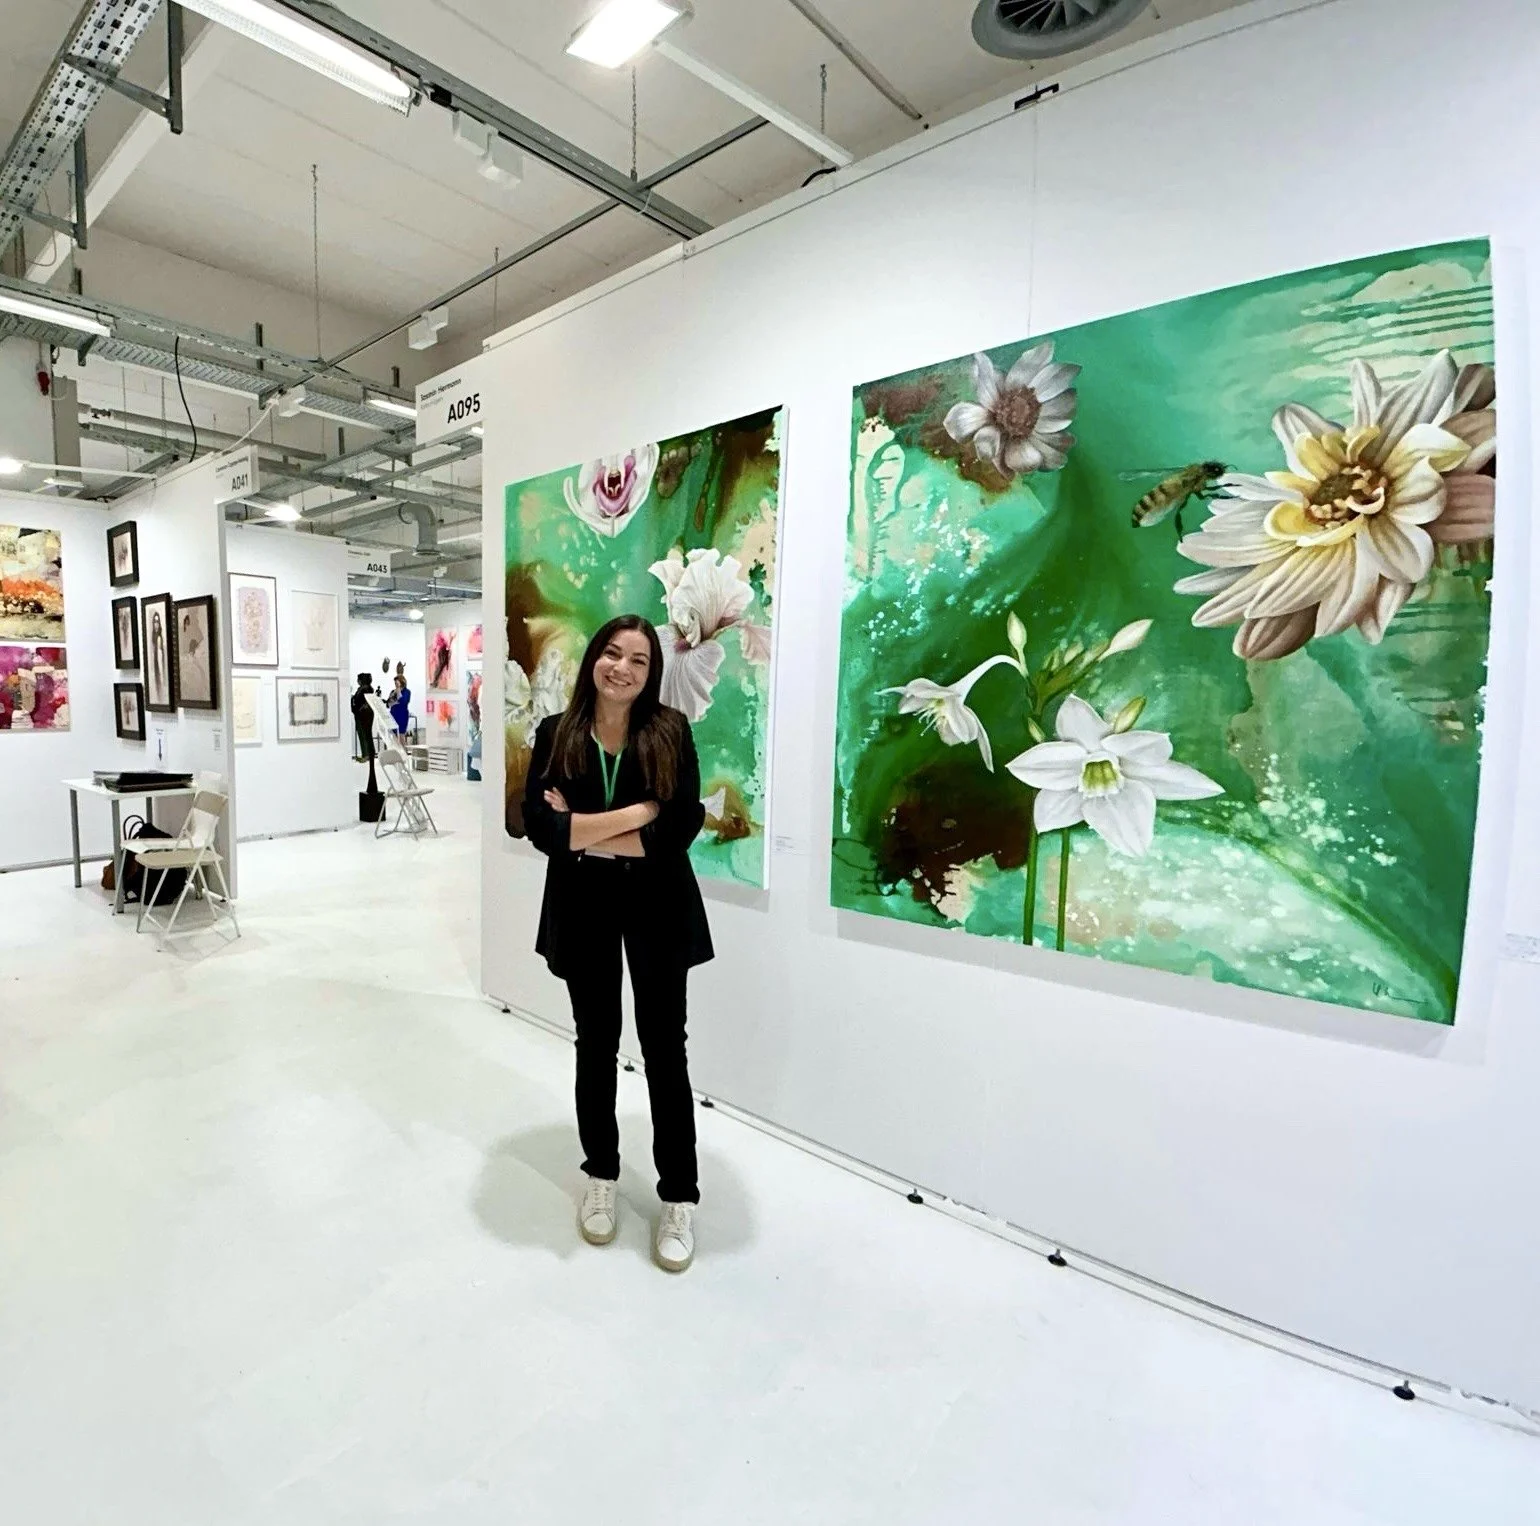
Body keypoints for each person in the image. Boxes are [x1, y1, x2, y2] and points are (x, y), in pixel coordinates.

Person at [523, 615, 712, 1272]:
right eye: (612, 653)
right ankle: (601, 1174)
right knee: (596, 1043)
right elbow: (541, 829)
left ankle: (678, 1195)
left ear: (651, 672)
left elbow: (678, 829)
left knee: (664, 1050)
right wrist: (638, 813)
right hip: (584, 908)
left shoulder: (670, 730)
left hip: (658, 906)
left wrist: (583, 830)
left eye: (639, 659)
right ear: (594, 660)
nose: (623, 668)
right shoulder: (557, 733)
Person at [388, 673, 411, 740]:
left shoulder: (407, 691)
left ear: (401, 682)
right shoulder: (393, 691)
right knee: (393, 737)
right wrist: (393, 701)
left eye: (397, 683)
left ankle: (403, 747)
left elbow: (403, 702)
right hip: (393, 715)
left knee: (401, 737)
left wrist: (398, 690)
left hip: (402, 716)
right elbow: (389, 703)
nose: (396, 684)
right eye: (395, 683)